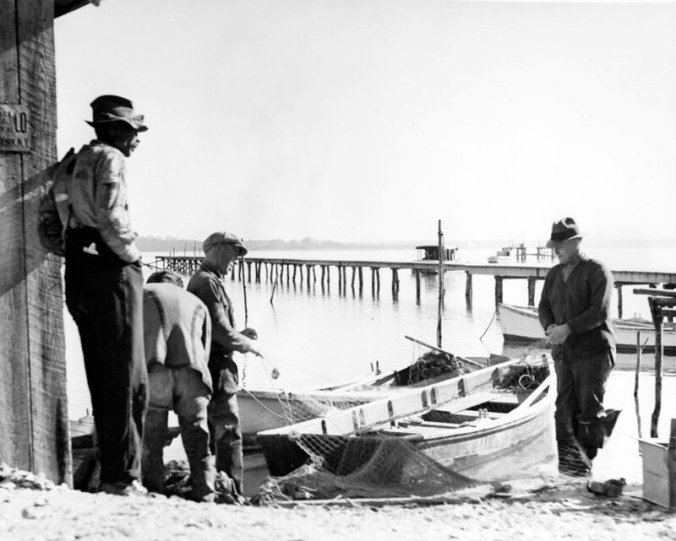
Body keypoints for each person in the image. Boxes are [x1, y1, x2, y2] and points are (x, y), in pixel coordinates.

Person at [38, 95, 148, 495]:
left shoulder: (69, 164)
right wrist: (131, 257)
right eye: (134, 132)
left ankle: (114, 475)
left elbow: (48, 221)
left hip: (79, 272)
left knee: (101, 375)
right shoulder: (110, 159)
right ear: (116, 130)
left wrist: (73, 249)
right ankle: (123, 478)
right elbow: (112, 215)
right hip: (110, 270)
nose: (137, 140)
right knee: (129, 376)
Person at [538, 217, 617, 477]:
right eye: (554, 245)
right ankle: (567, 471)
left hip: (594, 352)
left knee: (589, 412)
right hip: (564, 355)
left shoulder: (597, 270)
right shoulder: (552, 274)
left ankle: (585, 471)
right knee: (564, 411)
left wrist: (568, 328)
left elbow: (599, 312)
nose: (555, 249)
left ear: (576, 242)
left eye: (560, 245)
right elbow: (544, 307)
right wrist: (549, 326)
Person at [186, 232, 263, 497]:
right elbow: (219, 332)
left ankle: (215, 488)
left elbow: (213, 330)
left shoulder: (206, 280)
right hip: (216, 368)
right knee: (228, 432)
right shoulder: (208, 283)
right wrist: (247, 344)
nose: (236, 259)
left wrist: (240, 332)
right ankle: (233, 493)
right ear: (217, 250)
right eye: (234, 252)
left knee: (212, 433)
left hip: (207, 364)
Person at [141, 270, 217, 502]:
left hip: (154, 371)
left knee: (151, 444)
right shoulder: (197, 302)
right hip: (193, 373)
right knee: (198, 442)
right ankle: (205, 497)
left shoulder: (142, 293)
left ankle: (155, 494)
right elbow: (206, 350)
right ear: (179, 285)